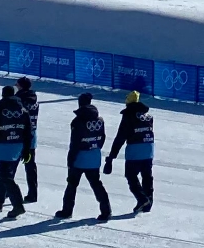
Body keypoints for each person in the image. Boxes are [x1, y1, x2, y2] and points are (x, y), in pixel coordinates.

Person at [56, 92, 112, 221]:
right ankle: (106, 210)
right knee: (97, 184)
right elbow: (102, 137)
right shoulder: (100, 120)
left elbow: (75, 143)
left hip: (80, 158)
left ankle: (67, 210)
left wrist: (70, 161)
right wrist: (95, 148)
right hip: (94, 156)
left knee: (72, 185)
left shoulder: (77, 121)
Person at [0, 85, 31, 217]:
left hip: (3, 147)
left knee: (5, 177)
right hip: (18, 147)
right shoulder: (23, 110)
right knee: (5, 176)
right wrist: (27, 150)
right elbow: (28, 132)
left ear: (3, 95)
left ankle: (18, 205)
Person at [104, 90, 155, 214]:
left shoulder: (128, 115)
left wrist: (112, 156)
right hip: (149, 149)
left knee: (131, 176)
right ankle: (148, 202)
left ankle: (142, 199)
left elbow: (121, 137)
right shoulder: (147, 116)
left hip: (135, 150)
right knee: (147, 177)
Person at [14, 75, 40, 203]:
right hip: (32, 134)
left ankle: (7, 190)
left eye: (17, 84)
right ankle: (33, 192)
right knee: (30, 166)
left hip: (19, 135)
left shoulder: (19, 99)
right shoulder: (34, 99)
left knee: (10, 164)